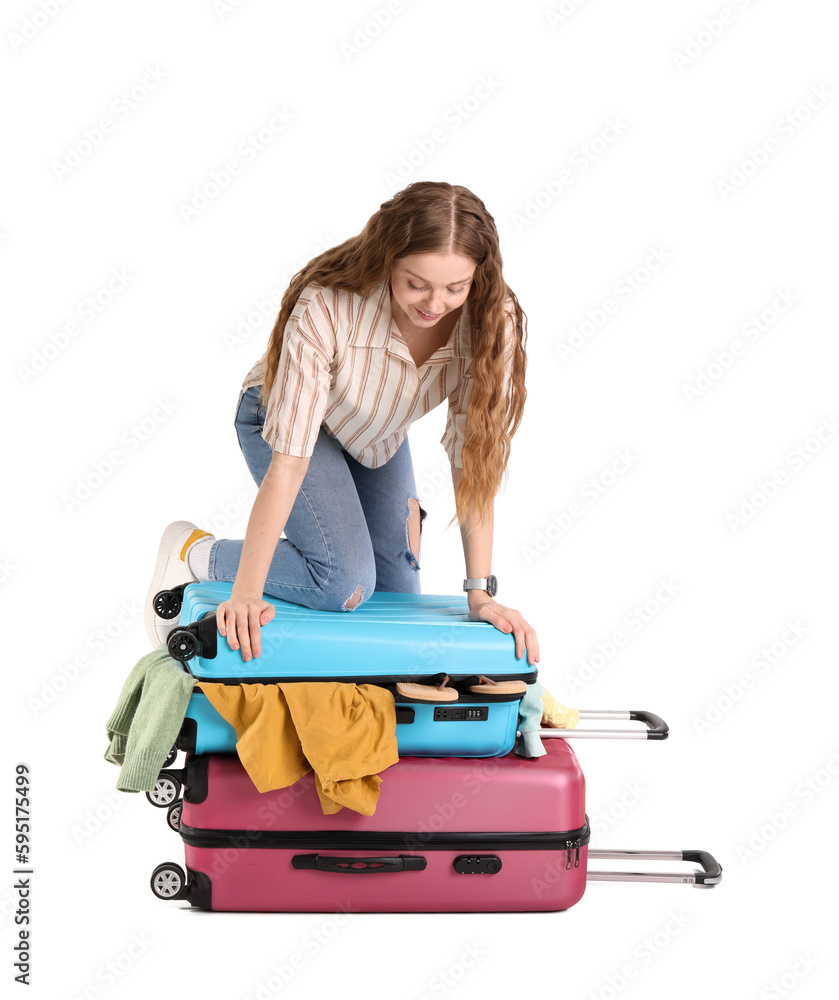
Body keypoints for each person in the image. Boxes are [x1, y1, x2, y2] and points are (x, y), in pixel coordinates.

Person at [145, 180, 539, 671]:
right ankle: (197, 552)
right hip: (284, 419)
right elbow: (288, 464)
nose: (435, 304)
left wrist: (480, 595)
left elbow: (473, 459)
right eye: (417, 283)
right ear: (389, 257)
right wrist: (245, 592)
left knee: (392, 601)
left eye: (455, 288)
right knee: (345, 583)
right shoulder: (328, 305)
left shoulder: (492, 320)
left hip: (375, 434)